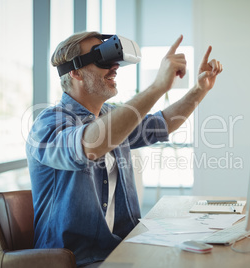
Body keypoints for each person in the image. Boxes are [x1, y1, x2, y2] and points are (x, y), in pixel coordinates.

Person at [26, 31, 222, 267]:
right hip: (74, 259)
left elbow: (162, 123)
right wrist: (158, 87)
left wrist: (200, 89)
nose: (114, 68)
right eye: (101, 59)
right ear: (75, 72)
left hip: (119, 249)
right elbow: (89, 145)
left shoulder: (111, 115)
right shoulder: (49, 124)